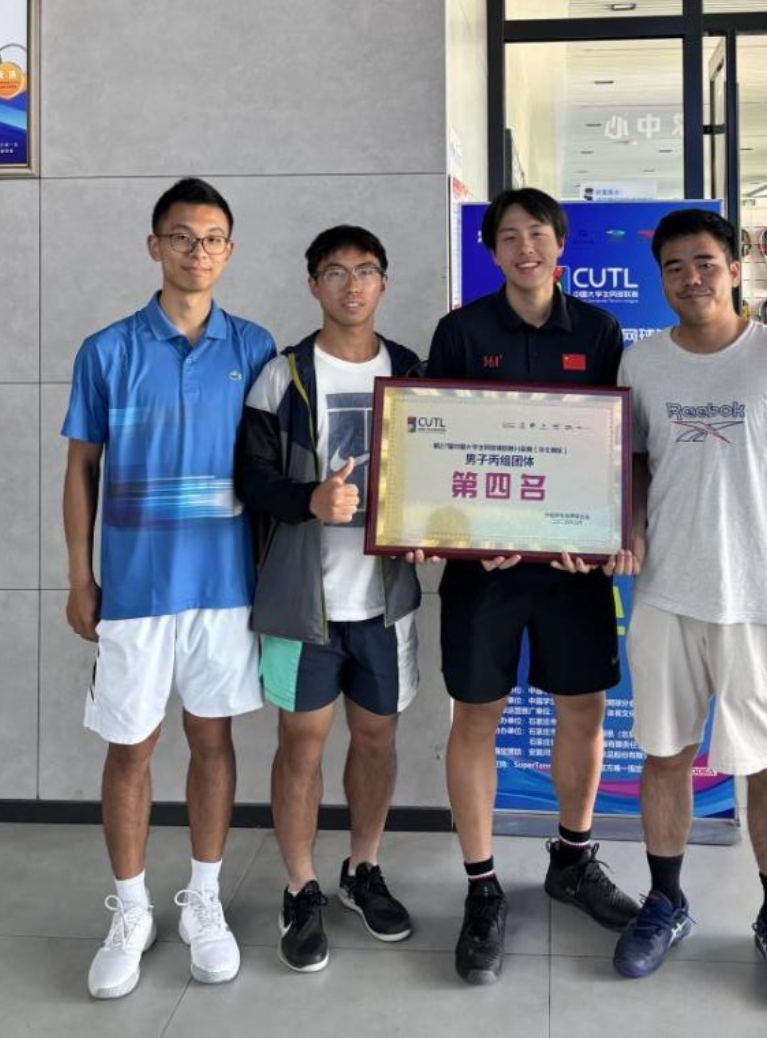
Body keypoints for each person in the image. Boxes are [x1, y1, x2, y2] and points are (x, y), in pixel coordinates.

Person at [612, 208, 767, 1006]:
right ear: (661, 278)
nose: (691, 278)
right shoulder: (642, 362)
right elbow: (633, 462)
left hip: (759, 597)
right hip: (666, 593)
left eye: (705, 262)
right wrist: (630, 528)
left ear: (734, 269)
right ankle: (666, 901)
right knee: (665, 754)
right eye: (674, 266)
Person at [61, 178, 275, 999]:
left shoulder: (254, 346)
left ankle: (203, 904)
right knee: (131, 748)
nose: (197, 251)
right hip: (136, 588)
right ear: (155, 246)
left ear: (230, 250)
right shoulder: (107, 350)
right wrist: (80, 576)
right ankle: (130, 911)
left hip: (225, 587)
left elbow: (272, 469)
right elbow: (80, 469)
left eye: (212, 238)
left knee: (213, 741)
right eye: (181, 236)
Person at [426, 188, 640, 985]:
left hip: (571, 566)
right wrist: (462, 532)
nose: (525, 247)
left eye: (538, 233)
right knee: (475, 715)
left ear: (561, 244)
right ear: (490, 250)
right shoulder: (461, 331)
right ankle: (482, 884)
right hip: (482, 570)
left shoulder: (599, 331)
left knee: (583, 708)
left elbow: (615, 443)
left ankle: (573, 859)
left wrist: (607, 529)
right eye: (509, 236)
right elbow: (437, 440)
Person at [235, 225, 422, 973]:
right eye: (335, 272)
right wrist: (308, 499)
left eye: (365, 271)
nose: (352, 285)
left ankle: (362, 869)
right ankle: (300, 885)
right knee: (301, 745)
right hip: (302, 603)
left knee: (376, 740)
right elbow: (251, 479)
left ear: (383, 283)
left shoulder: (411, 369)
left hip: (384, 602)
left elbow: (441, 471)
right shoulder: (281, 375)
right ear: (313, 284)